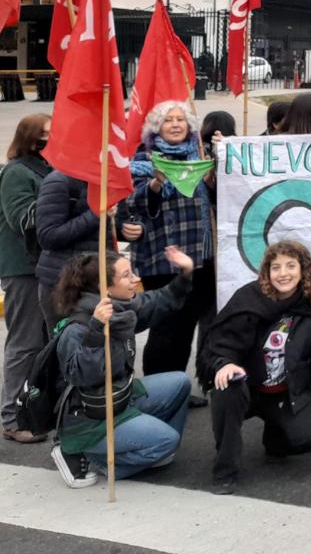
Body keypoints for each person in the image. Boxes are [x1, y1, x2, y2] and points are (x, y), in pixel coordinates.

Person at [204, 240, 311, 493]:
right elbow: (221, 342)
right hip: (245, 386)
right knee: (226, 389)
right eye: (276, 267)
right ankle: (224, 470)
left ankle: (275, 436)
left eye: (291, 266)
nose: (283, 274)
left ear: (303, 270)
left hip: (284, 393)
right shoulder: (248, 298)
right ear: (267, 272)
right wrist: (224, 364)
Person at [51, 247, 195, 488]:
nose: (136, 279)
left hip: (119, 398)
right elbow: (83, 375)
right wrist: (97, 330)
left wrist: (186, 272)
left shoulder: (120, 308)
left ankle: (154, 450)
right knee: (167, 440)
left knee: (180, 382)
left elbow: (158, 302)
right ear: (105, 286)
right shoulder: (76, 327)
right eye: (127, 275)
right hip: (90, 420)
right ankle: (89, 457)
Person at [125, 101, 217, 385]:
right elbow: (134, 203)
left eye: (181, 120)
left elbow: (218, 197)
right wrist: (155, 183)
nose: (176, 124)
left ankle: (176, 389)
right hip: (162, 258)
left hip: (200, 257)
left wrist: (222, 160)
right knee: (165, 328)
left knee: (186, 326)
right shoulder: (143, 160)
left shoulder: (200, 157)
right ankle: (157, 391)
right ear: (156, 128)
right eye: (168, 121)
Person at [1, 114, 52, 442]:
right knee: (25, 343)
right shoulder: (16, 173)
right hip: (23, 268)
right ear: (32, 139)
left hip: (47, 267)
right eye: (49, 134)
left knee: (48, 343)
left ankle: (40, 409)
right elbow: (23, 218)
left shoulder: (50, 169)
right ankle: (10, 418)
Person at [35, 172, 134, 331]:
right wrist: (96, 215)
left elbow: (115, 224)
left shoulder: (109, 179)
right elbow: (48, 236)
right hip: (65, 285)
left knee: (105, 348)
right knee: (70, 348)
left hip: (103, 281)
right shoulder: (59, 181)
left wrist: (133, 230)